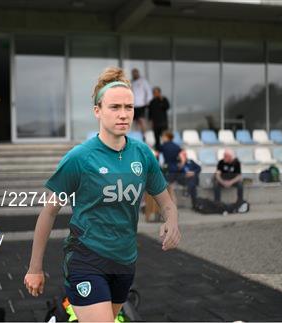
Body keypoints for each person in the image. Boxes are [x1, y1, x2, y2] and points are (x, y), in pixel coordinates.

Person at [24, 67, 181, 322]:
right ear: (97, 110)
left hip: (124, 261)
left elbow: (166, 203)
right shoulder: (79, 158)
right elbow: (48, 212)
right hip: (86, 259)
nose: (123, 115)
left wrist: (172, 222)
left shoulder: (142, 154)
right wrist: (34, 268)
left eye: (128, 108)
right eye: (115, 107)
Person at [158, 131, 185, 204]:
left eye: (163, 137)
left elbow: (156, 155)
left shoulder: (163, 146)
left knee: (168, 190)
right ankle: (173, 207)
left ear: (167, 137)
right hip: (175, 168)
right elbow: (182, 159)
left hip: (167, 168)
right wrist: (180, 165)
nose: (162, 138)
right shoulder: (176, 146)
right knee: (171, 189)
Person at [130, 68, 152, 138]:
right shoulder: (131, 82)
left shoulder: (143, 81)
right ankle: (136, 135)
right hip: (133, 104)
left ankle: (144, 135)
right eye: (133, 73)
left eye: (135, 73)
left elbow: (148, 91)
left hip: (141, 104)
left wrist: (148, 101)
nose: (134, 74)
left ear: (138, 73)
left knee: (141, 120)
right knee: (134, 121)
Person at [148, 87, 170, 151]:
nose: (155, 94)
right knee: (157, 139)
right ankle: (158, 151)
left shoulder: (164, 99)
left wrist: (161, 100)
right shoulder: (152, 102)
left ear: (159, 93)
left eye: (157, 92)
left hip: (163, 123)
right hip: (155, 124)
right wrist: (151, 122)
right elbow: (150, 113)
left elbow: (167, 107)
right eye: (154, 93)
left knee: (165, 138)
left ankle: (166, 150)